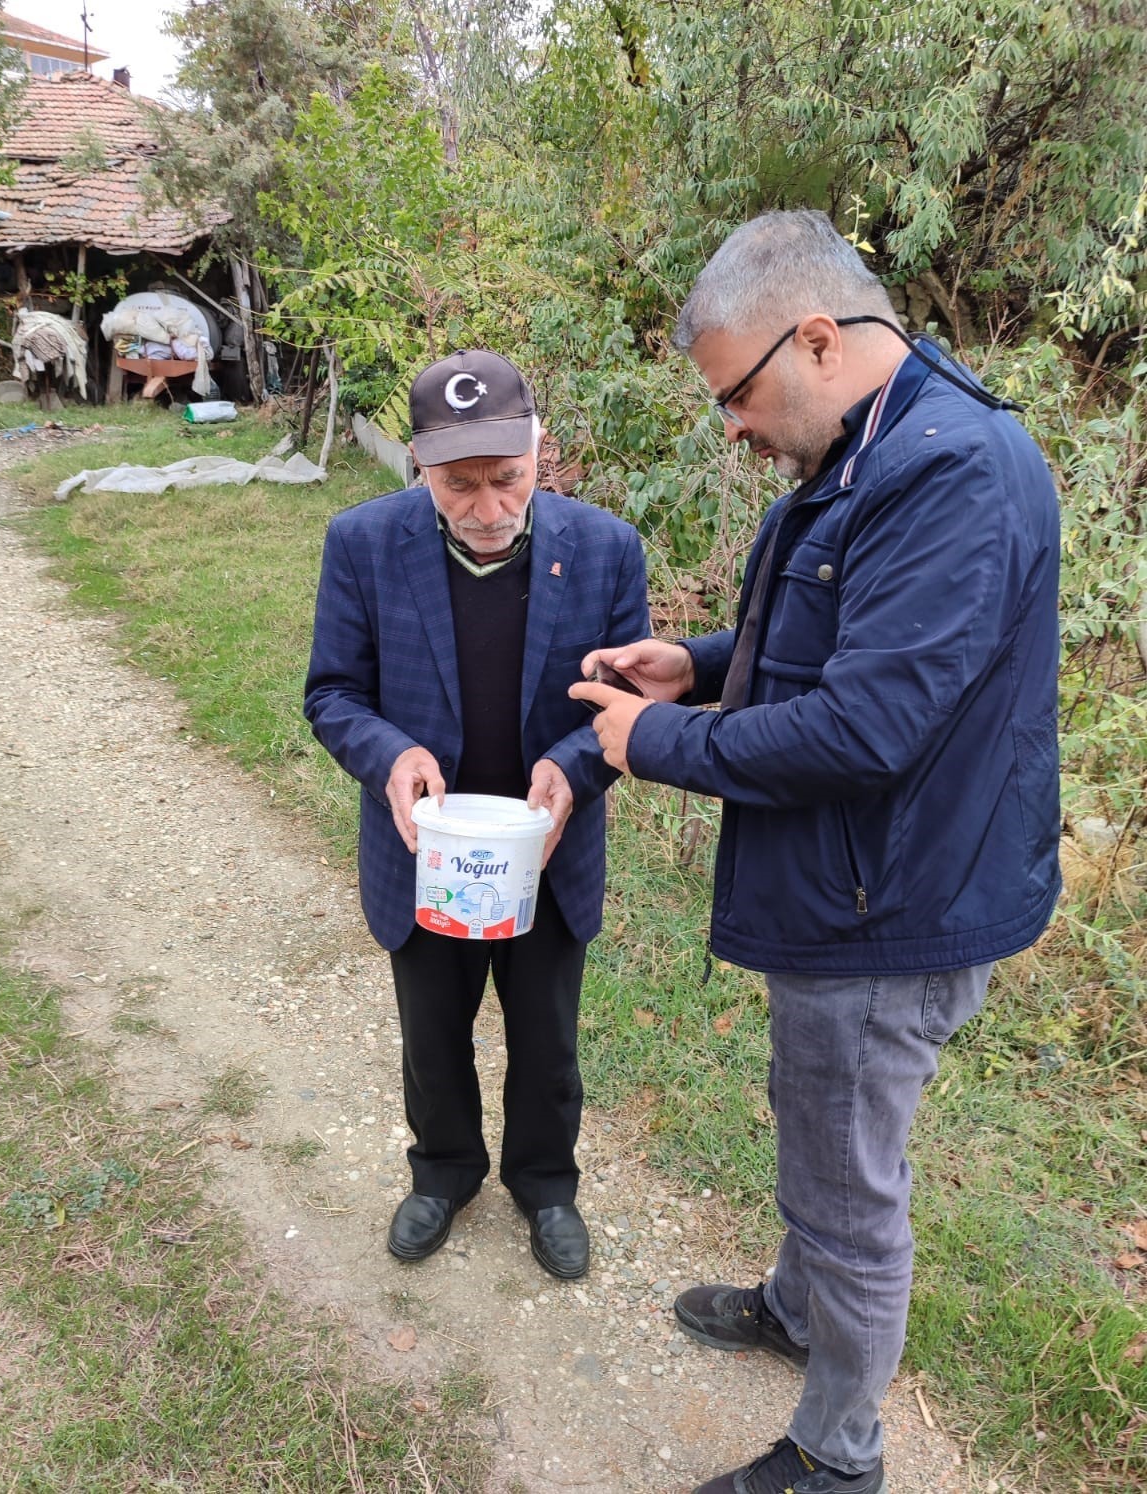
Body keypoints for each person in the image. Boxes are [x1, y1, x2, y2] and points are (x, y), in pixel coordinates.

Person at [570, 211, 1061, 1493]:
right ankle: (793, 1313)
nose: (729, 425)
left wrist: (656, 740)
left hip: (887, 908)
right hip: (860, 881)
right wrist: (702, 665)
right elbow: (852, 643)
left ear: (818, 338)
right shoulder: (881, 446)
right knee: (818, 1125)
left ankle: (836, 1455)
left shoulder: (951, 471)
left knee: (846, 1189)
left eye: (734, 393)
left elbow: (865, 727)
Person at [304, 350, 649, 1280]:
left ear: (541, 450)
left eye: (509, 480)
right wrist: (392, 756)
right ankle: (443, 1171)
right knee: (432, 1029)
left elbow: (621, 708)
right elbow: (333, 694)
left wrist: (576, 767)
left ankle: (545, 1183)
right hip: (426, 849)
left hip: (547, 850)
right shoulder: (364, 544)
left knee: (547, 1037)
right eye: (460, 486)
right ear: (420, 466)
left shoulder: (608, 549)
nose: (490, 509)